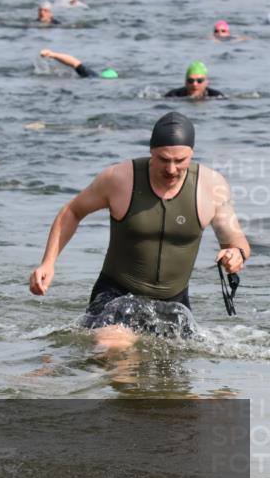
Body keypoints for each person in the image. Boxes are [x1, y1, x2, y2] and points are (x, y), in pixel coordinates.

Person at [29, 112, 250, 351]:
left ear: (192, 153)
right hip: (116, 294)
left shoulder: (211, 186)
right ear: (151, 152)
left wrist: (236, 254)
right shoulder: (120, 179)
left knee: (173, 387)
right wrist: (48, 262)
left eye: (180, 160)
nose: (172, 169)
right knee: (114, 347)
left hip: (174, 303)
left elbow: (235, 240)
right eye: (164, 159)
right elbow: (72, 211)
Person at [39, 49, 119, 79]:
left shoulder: (93, 76)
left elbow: (75, 62)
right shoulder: (93, 76)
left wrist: (53, 54)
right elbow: (75, 63)